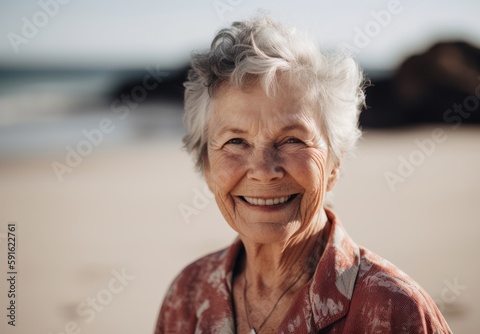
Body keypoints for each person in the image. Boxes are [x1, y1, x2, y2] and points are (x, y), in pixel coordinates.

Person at [155, 15, 452, 333]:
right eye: (236, 141)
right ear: (207, 166)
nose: (264, 171)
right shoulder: (187, 295)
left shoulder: (396, 311)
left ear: (335, 163)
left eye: (292, 140)